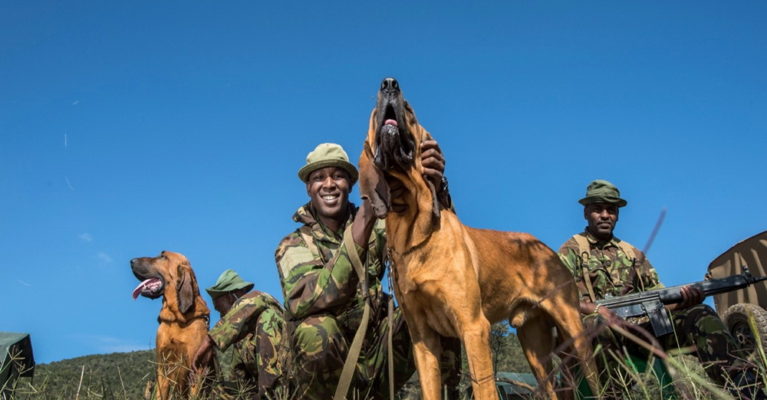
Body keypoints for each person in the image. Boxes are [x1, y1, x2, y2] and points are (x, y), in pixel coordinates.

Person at [275, 142, 461, 400]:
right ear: (309, 188)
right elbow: (313, 300)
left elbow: (434, 244)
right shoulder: (292, 246)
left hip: (378, 354)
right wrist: (366, 216)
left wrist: (434, 187)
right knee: (315, 331)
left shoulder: (379, 226)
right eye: (318, 178)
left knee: (437, 307)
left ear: (351, 184)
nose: (329, 184)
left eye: (338, 176)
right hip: (330, 371)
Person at [558, 179, 761, 397]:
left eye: (611, 210)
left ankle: (746, 388)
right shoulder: (571, 251)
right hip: (595, 336)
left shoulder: (631, 253)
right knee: (601, 324)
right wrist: (596, 310)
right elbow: (556, 300)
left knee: (700, 314)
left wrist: (685, 300)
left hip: (640, 332)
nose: (605, 215)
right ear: (586, 213)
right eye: (598, 209)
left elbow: (659, 297)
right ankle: (613, 394)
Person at [193, 269, 286, 399]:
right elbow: (240, 383)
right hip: (260, 393)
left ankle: (270, 394)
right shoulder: (241, 342)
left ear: (232, 297)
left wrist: (208, 342)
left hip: (292, 384)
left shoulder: (263, 304)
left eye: (220, 308)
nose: (221, 316)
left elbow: (256, 298)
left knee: (267, 317)